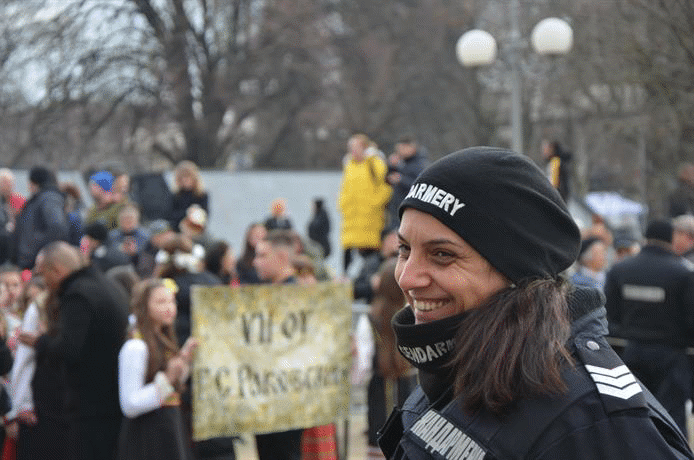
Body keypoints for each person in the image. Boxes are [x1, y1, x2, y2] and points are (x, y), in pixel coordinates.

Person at [377, 147, 694, 459]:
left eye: (442, 255)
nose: (406, 277)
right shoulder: (457, 364)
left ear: (515, 271)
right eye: (404, 249)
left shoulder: (594, 422)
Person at [21, 241, 129, 460]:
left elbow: (69, 348)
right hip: (112, 402)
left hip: (89, 407)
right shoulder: (109, 286)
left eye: (43, 275)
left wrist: (40, 342)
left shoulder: (78, 294)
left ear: (57, 271)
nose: (44, 283)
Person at [604, 219, 694, 433]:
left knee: (633, 414)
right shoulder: (683, 274)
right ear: (671, 239)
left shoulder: (620, 270)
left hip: (629, 353)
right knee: (670, 419)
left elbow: (610, 315)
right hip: (671, 357)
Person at [117, 278, 199, 460]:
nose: (169, 307)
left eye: (171, 301)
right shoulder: (136, 347)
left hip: (168, 428)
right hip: (148, 436)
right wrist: (168, 378)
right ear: (144, 307)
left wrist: (184, 362)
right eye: (161, 302)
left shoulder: (162, 340)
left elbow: (171, 388)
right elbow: (130, 404)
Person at [252, 229, 304, 460]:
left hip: (287, 398)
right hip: (265, 395)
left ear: (282, 257)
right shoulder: (269, 293)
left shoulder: (297, 296)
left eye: (262, 256)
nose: (255, 262)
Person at [366, 257, 414, 460]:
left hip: (380, 388)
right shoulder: (414, 315)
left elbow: (361, 365)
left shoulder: (371, 316)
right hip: (410, 387)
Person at [5, 275, 47, 460]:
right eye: (30, 300)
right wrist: (13, 411)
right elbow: (17, 370)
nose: (34, 306)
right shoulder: (17, 333)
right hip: (20, 408)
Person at [338, 134, 392, 274]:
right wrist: (343, 204)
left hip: (370, 217)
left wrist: (374, 204)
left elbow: (384, 187)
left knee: (370, 249)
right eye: (351, 147)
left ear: (365, 148)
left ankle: (373, 276)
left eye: (355, 147)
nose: (352, 150)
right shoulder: (349, 165)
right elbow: (345, 187)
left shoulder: (374, 163)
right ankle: (345, 276)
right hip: (352, 216)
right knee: (348, 248)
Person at [12, 166, 68, 270]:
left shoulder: (49, 198)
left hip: (36, 261)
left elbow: (57, 228)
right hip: (28, 259)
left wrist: (35, 247)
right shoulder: (40, 198)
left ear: (34, 182)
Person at [385, 135, 428, 227]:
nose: (399, 152)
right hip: (397, 208)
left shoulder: (420, 164)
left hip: (412, 209)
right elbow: (386, 180)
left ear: (411, 147)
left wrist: (401, 180)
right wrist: (391, 166)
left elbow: (422, 186)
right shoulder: (402, 163)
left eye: (402, 149)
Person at [170, 160, 209, 230]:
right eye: (182, 177)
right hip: (178, 230)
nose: (185, 180)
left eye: (187, 176)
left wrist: (196, 213)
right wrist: (187, 212)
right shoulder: (175, 196)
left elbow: (205, 216)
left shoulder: (201, 194)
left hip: (197, 230)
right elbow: (171, 216)